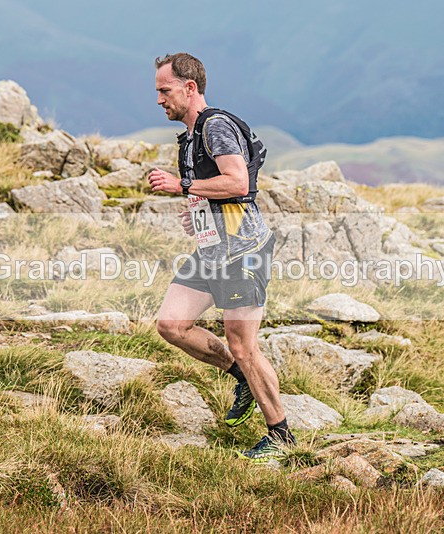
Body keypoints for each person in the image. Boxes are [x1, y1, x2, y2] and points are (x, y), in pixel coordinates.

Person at [148, 52, 295, 461]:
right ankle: (241, 377)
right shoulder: (191, 136)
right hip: (213, 247)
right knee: (171, 324)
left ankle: (280, 436)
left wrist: (182, 186)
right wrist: (198, 214)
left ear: (189, 88)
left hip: (243, 250)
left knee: (244, 345)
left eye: (165, 91)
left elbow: (237, 180)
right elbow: (214, 189)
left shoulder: (215, 127)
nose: (159, 100)